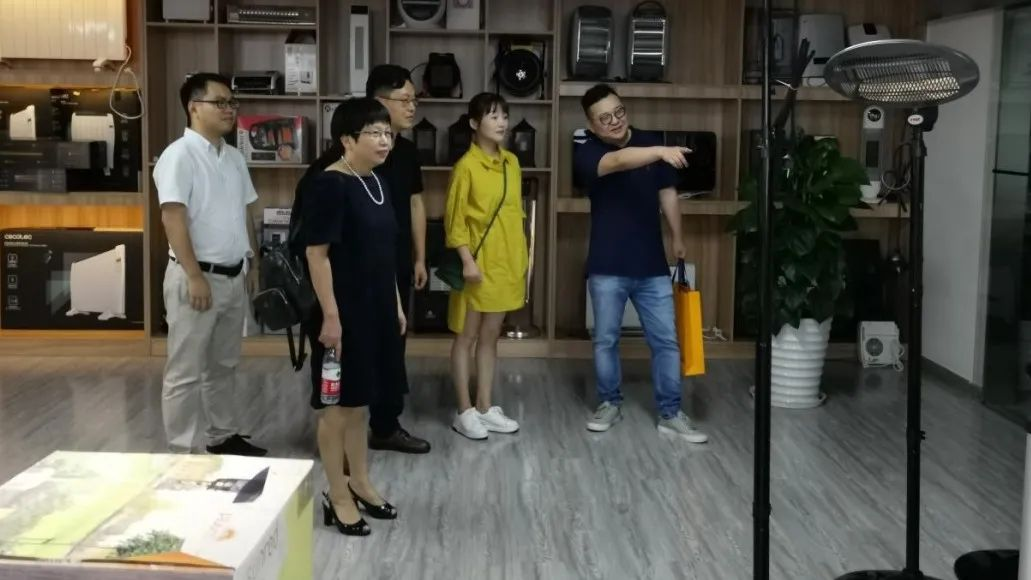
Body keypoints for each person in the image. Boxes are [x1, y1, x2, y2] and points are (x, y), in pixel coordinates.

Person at [572, 83, 708, 443]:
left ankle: (670, 413)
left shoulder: (649, 141)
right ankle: (609, 403)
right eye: (605, 118)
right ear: (591, 125)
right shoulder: (586, 150)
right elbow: (618, 161)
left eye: (619, 112)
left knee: (666, 341)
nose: (615, 121)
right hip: (606, 264)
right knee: (605, 340)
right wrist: (660, 151)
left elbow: (667, 193)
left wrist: (678, 237)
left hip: (652, 264)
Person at [302, 98, 405, 536]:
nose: (384, 141)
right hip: (342, 314)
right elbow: (317, 254)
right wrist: (331, 316)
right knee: (337, 408)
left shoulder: (377, 181)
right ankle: (337, 494)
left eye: (387, 133)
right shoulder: (330, 184)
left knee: (361, 402)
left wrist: (395, 303)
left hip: (376, 309)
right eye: (374, 133)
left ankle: (360, 482)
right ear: (347, 139)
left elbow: (385, 252)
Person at [153, 72, 267, 457]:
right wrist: (193, 275)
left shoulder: (233, 157)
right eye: (220, 102)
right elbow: (172, 218)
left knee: (223, 365)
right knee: (184, 370)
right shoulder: (178, 156)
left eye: (232, 103)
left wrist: (252, 262)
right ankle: (181, 452)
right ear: (193, 108)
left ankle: (222, 435)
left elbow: (243, 213)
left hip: (233, 276)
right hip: (196, 277)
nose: (229, 109)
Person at [445, 92, 528, 440]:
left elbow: (514, 214)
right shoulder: (466, 166)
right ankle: (464, 410)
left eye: (504, 116)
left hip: (506, 264)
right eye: (493, 116)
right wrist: (467, 260)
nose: (502, 122)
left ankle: (484, 405)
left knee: (491, 337)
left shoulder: (512, 162)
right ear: (474, 123)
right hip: (476, 266)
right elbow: (455, 221)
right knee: (466, 337)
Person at [365, 64, 431, 454]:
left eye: (414, 99)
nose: (412, 107)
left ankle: (385, 425)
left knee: (394, 343)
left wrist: (420, 257)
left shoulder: (406, 151)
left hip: (398, 262)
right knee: (358, 345)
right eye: (404, 99)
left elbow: (416, 202)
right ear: (378, 101)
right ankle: (341, 426)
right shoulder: (353, 149)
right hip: (361, 266)